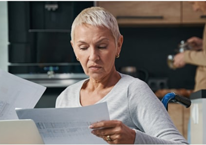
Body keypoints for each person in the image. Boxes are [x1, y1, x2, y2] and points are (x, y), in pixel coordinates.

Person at [55, 6, 188, 144]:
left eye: (101, 46)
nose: (93, 56)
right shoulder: (65, 98)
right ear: (74, 49)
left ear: (118, 45)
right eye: (83, 48)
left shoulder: (133, 90)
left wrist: (133, 139)